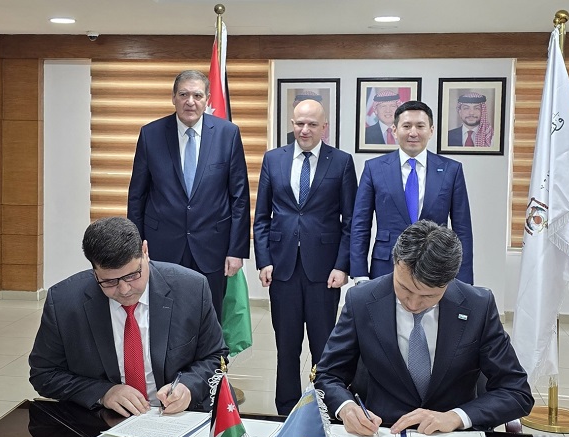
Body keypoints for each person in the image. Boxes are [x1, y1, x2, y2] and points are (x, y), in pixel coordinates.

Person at [316, 220, 533, 436]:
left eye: (428, 296)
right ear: (395, 263)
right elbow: (328, 375)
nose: (412, 304)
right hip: (381, 433)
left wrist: (457, 417)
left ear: (449, 281)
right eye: (404, 289)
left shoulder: (478, 306)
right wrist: (346, 408)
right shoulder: (361, 301)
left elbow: (516, 392)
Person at [29, 217, 228, 417]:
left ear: (145, 251)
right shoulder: (64, 303)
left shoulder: (191, 289)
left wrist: (188, 386)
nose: (124, 290)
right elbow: (44, 374)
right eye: (109, 282)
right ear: (94, 271)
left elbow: (216, 357)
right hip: (104, 418)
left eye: (132, 276)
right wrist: (103, 393)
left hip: (178, 416)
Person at [254, 99, 357, 415]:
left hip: (324, 272)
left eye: (312, 124)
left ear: (324, 127)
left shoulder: (341, 162)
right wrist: (264, 260)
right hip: (282, 268)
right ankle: (286, 410)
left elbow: (351, 221)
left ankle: (325, 408)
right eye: (299, 123)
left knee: (324, 348)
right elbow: (262, 217)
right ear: (292, 124)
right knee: (286, 348)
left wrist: (342, 265)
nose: (305, 129)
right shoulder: (273, 159)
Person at [127, 70, 250, 321]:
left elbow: (239, 197)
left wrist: (236, 250)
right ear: (173, 98)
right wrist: (136, 247)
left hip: (213, 247)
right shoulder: (151, 134)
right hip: (162, 246)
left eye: (197, 95)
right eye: (183, 94)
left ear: (207, 99)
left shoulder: (228, 134)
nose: (190, 102)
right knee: (165, 318)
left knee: (209, 319)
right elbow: (137, 195)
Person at [350, 100, 474, 284]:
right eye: (406, 126)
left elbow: (462, 229)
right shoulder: (374, 169)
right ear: (394, 130)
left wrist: (462, 279)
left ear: (431, 130)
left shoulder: (451, 170)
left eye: (420, 126)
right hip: (386, 265)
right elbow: (360, 224)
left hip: (435, 265)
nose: (413, 133)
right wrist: (359, 273)